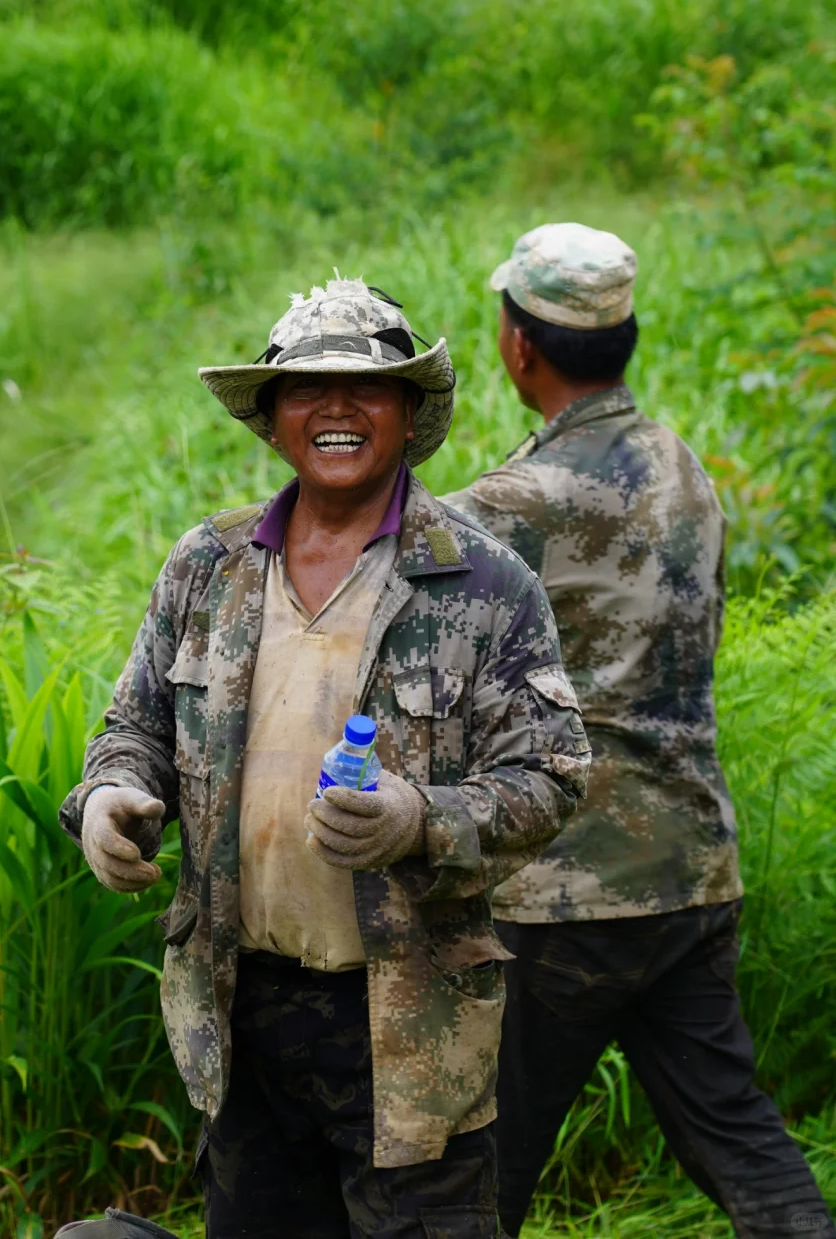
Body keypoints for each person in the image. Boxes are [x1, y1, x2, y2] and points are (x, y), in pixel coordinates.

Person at [59, 276, 591, 1239]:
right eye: (304, 387)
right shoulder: (208, 565)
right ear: (271, 417)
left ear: (407, 411)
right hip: (241, 1011)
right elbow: (132, 729)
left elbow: (552, 777)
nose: (335, 409)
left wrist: (416, 818)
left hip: (409, 1026)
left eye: (367, 389)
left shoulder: (481, 580)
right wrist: (111, 798)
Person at [444, 222, 835, 1239]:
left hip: (565, 892)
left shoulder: (511, 500)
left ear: (517, 344)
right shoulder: (684, 468)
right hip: (693, 874)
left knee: (479, 1164)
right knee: (739, 1138)